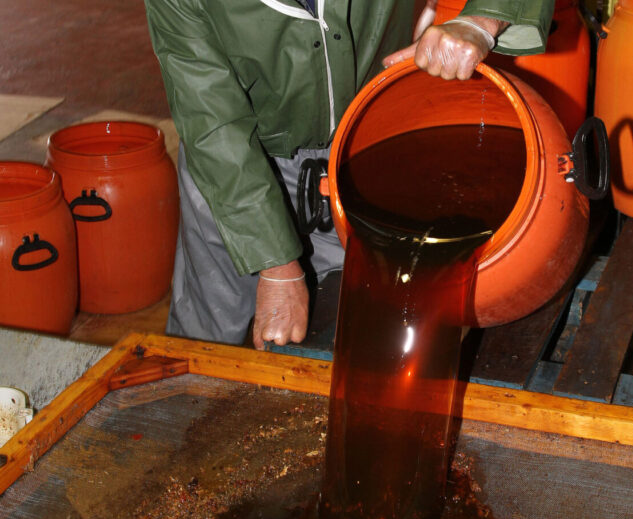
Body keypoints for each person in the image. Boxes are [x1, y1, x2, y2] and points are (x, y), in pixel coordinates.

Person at [143, 0, 554, 348]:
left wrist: (481, 20)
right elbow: (212, 121)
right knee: (207, 338)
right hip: (233, 168)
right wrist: (276, 265)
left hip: (365, 147)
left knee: (382, 328)